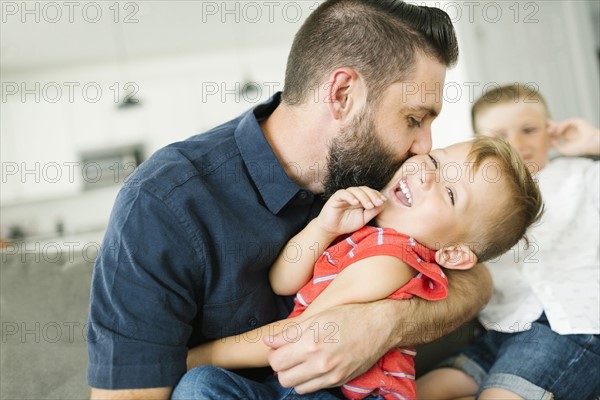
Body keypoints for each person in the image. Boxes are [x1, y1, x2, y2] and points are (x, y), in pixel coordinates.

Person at [87, 1, 494, 399]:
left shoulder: (386, 180)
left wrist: (384, 323)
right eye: (413, 119)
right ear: (342, 94)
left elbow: (475, 278)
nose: (424, 147)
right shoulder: (163, 204)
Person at [174, 136, 544, 400]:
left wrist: (194, 356)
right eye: (436, 161)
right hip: (302, 381)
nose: (427, 176)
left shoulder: (390, 264)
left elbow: (296, 335)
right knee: (201, 387)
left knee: (198, 380)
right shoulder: (368, 228)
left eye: (450, 194)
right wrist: (323, 228)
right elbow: (282, 281)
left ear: (453, 254)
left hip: (334, 390)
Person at [416, 84, 600, 400]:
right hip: (502, 328)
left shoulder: (580, 175)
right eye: (499, 136)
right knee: (422, 391)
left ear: (550, 130)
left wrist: (593, 141)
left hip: (569, 326)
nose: (516, 143)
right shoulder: (477, 200)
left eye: (529, 130)